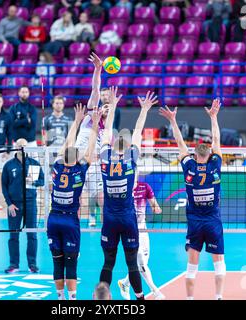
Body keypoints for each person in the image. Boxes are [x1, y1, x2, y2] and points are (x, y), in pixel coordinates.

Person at [159, 98, 226, 300]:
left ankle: (189, 299)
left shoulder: (189, 166)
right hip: (213, 221)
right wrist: (214, 117)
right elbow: (216, 140)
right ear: (210, 155)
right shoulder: (215, 165)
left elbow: (180, 144)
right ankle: (218, 297)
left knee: (191, 266)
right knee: (219, 263)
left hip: (195, 223)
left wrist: (173, 120)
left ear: (195, 155)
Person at [99, 87, 158, 301]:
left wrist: (112, 106)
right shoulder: (131, 159)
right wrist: (144, 110)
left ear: (114, 146)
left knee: (108, 262)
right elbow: (138, 132)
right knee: (132, 263)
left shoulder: (105, 158)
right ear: (128, 148)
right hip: (127, 218)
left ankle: (102, 298)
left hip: (110, 219)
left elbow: (106, 131)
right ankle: (140, 299)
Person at [47, 104, 101, 300]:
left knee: (57, 263)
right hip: (70, 220)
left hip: (53, 219)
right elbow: (90, 150)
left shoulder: (57, 167)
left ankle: (60, 298)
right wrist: (94, 125)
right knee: (71, 264)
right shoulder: (80, 170)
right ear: (76, 158)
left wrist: (76, 122)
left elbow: (66, 148)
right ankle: (72, 300)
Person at [75, 53, 120, 227]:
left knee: (102, 199)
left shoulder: (109, 131)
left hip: (94, 166)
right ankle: (75, 228)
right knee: (76, 199)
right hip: (78, 161)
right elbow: (95, 89)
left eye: (110, 107)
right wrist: (98, 69)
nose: (106, 109)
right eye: (105, 106)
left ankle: (106, 229)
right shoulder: (91, 115)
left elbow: (110, 153)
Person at [118, 175, 165, 300]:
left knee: (143, 263)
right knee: (142, 263)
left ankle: (125, 283)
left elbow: (154, 204)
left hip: (143, 230)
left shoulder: (145, 187)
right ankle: (155, 291)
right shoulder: (123, 189)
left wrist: (156, 208)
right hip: (130, 231)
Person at [2, 138, 44, 274]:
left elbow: (42, 181)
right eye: (19, 145)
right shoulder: (8, 165)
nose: (22, 147)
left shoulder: (34, 164)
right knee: (13, 235)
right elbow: (4, 186)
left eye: (24, 146)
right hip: (14, 205)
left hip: (31, 203)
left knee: (32, 235)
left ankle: (32, 264)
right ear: (15, 147)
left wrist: (35, 182)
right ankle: (14, 264)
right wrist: (9, 204)